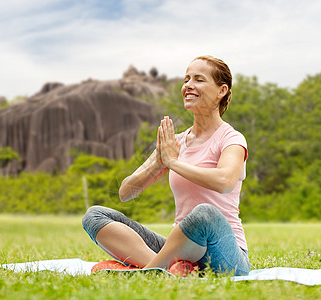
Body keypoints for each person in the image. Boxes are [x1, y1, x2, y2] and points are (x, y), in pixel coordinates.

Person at [82, 55, 250, 276]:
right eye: (186, 79)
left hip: (223, 253)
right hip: (179, 247)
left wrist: (173, 162)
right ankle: (168, 268)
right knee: (94, 216)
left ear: (222, 91)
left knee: (205, 214)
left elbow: (225, 181)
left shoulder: (231, 139)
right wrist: (159, 163)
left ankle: (151, 270)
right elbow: (125, 193)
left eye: (199, 80)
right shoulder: (175, 142)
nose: (188, 85)